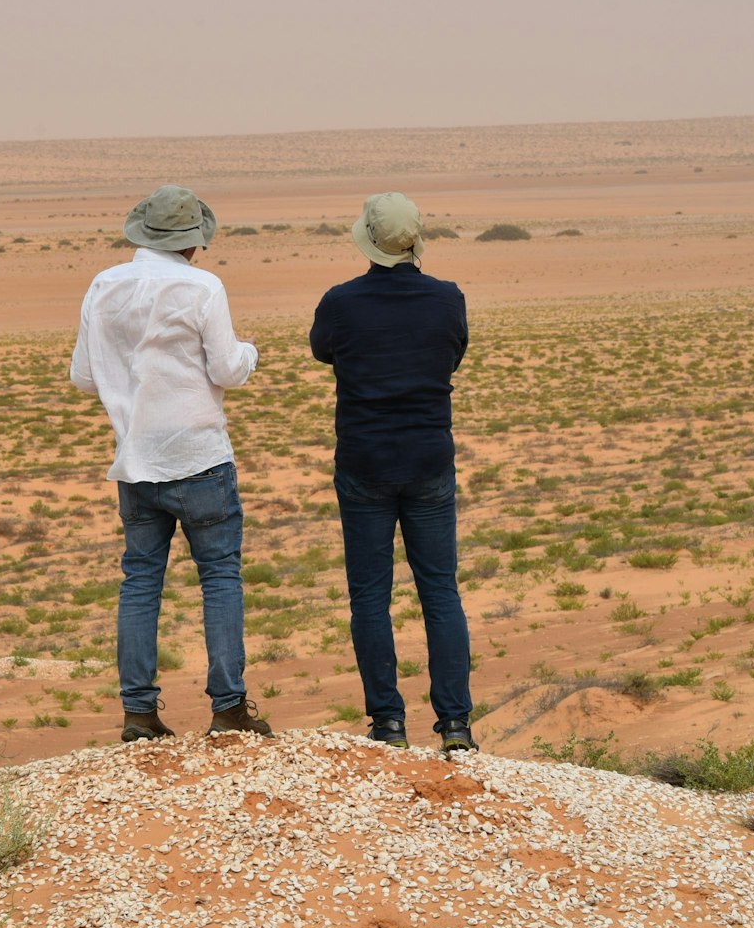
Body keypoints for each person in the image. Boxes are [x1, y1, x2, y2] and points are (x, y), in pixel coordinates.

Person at [71, 184, 273, 741]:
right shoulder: (203, 286)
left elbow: (84, 376)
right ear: (193, 242)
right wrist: (250, 352)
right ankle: (228, 707)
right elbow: (229, 370)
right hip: (200, 455)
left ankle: (139, 712)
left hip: (136, 462)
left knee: (140, 581)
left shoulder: (104, 285)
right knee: (220, 577)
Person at [309, 192, 477, 752]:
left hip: (364, 464)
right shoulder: (447, 298)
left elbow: (323, 352)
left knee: (370, 598)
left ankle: (388, 724)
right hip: (429, 460)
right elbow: (452, 354)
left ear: (367, 240)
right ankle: (455, 725)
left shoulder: (340, 302)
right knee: (440, 592)